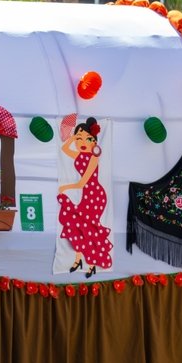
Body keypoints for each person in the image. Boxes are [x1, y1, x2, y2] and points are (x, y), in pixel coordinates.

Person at [57, 115, 112, 278]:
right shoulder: (80, 155)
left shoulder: (94, 158)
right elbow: (65, 149)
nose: (82, 142)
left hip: (95, 194)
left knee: (90, 229)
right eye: (79, 139)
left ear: (94, 141)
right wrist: (72, 137)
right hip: (87, 195)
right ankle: (78, 259)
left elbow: (82, 182)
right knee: (79, 226)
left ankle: (93, 264)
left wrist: (66, 187)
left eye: (87, 139)